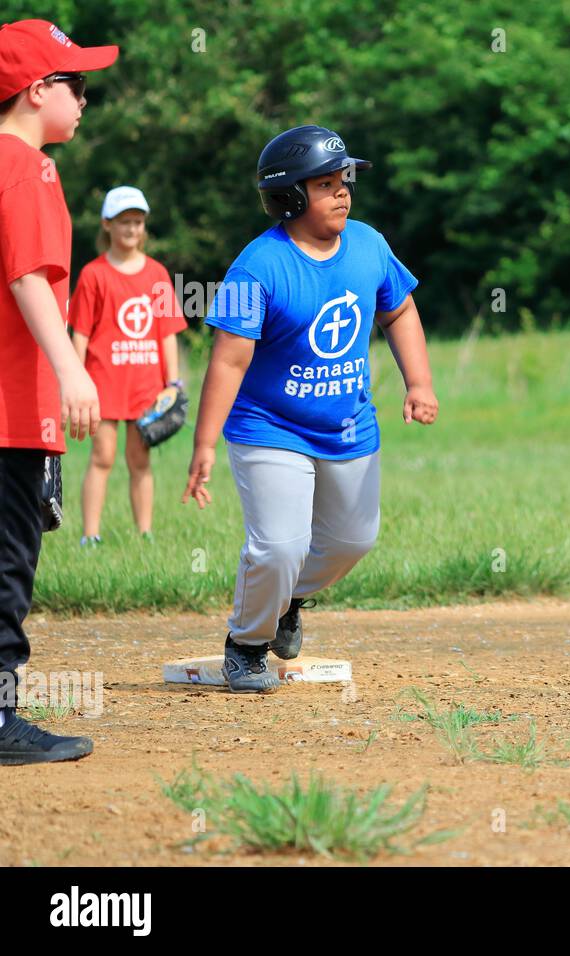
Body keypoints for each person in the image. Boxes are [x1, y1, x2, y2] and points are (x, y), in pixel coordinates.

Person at [182, 125, 438, 693]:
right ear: (292, 197)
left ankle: (288, 600)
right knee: (279, 545)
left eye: (344, 180)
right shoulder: (258, 265)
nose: (343, 192)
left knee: (352, 540)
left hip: (348, 426)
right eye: (326, 184)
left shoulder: (369, 245)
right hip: (269, 426)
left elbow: (398, 311)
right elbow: (227, 360)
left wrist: (417, 382)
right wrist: (203, 445)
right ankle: (247, 644)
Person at [0, 19, 117, 764]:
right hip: (11, 407)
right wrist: (72, 370)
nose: (84, 100)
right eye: (76, 85)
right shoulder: (28, 167)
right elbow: (28, 276)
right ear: (37, 90)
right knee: (7, 564)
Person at [70, 185, 186, 545]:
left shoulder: (157, 274)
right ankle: (90, 535)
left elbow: (167, 333)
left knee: (140, 460)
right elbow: (81, 335)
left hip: (145, 385)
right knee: (102, 457)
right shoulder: (93, 274)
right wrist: (75, 380)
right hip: (103, 381)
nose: (132, 229)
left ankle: (144, 533)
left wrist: (174, 383)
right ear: (107, 224)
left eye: (137, 222)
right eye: (124, 222)